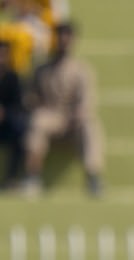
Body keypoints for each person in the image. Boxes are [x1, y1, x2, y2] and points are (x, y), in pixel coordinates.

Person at [21, 20, 105, 197]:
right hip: (51, 118)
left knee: (90, 124)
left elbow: (87, 102)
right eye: (60, 37)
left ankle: (93, 177)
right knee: (37, 121)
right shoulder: (41, 69)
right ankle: (32, 177)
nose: (63, 41)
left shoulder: (81, 70)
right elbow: (30, 98)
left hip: (74, 121)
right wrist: (36, 106)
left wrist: (78, 115)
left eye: (67, 37)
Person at [0, 39, 26, 189]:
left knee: (21, 133)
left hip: (6, 126)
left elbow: (18, 105)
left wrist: (5, 112)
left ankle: (11, 178)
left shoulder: (13, 77)